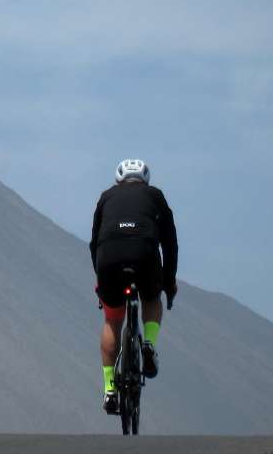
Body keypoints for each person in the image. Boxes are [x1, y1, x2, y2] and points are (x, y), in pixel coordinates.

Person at [90, 159, 178, 415]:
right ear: (145, 179)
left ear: (119, 179)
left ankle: (109, 389)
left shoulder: (106, 197)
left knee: (112, 320)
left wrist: (101, 281)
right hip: (144, 257)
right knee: (151, 298)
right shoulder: (155, 196)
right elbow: (170, 244)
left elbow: (94, 243)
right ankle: (148, 344)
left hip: (109, 259)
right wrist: (169, 282)